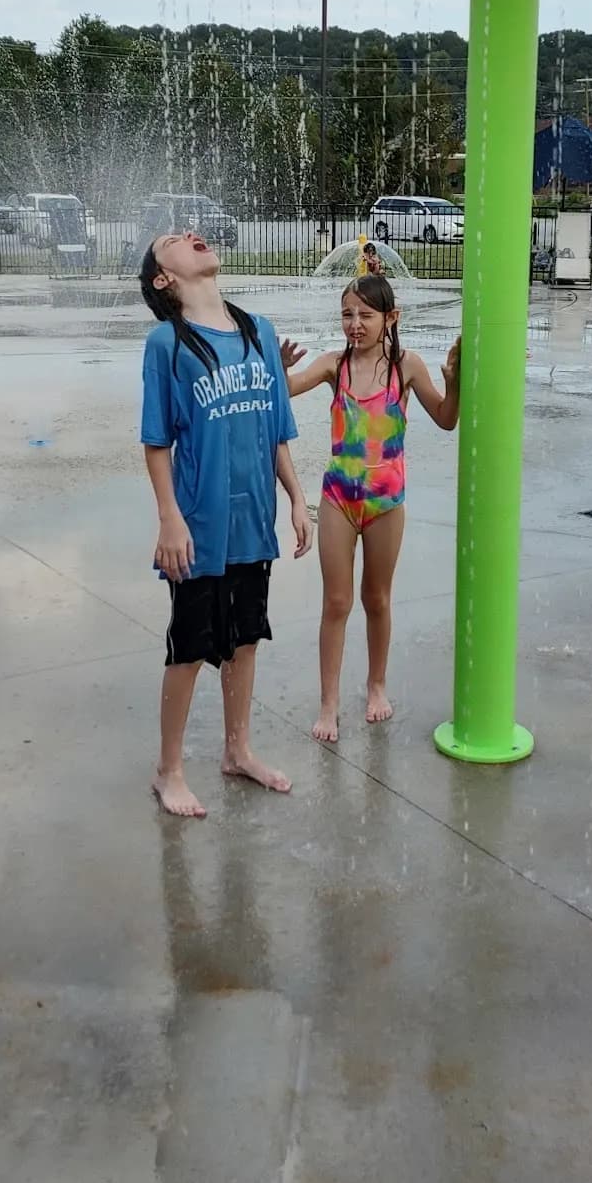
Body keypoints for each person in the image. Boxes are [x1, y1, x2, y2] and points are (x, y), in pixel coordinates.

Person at [140, 230, 313, 818]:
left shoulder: (258, 331)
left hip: (252, 519)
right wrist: (170, 520)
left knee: (244, 638)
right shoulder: (166, 343)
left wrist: (295, 498)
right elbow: (157, 441)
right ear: (164, 279)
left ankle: (237, 750)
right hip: (199, 523)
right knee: (189, 647)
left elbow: (275, 426)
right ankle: (169, 770)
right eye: (173, 240)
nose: (192, 236)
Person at [281, 274, 460, 743]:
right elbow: (282, 395)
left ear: (391, 318)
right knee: (336, 602)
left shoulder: (407, 367)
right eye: (347, 314)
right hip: (339, 498)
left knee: (376, 599)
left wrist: (454, 384)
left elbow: (446, 420)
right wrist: (279, 371)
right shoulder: (332, 366)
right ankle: (329, 702)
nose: (355, 324)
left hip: (385, 503)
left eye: (365, 315)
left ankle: (376, 685)